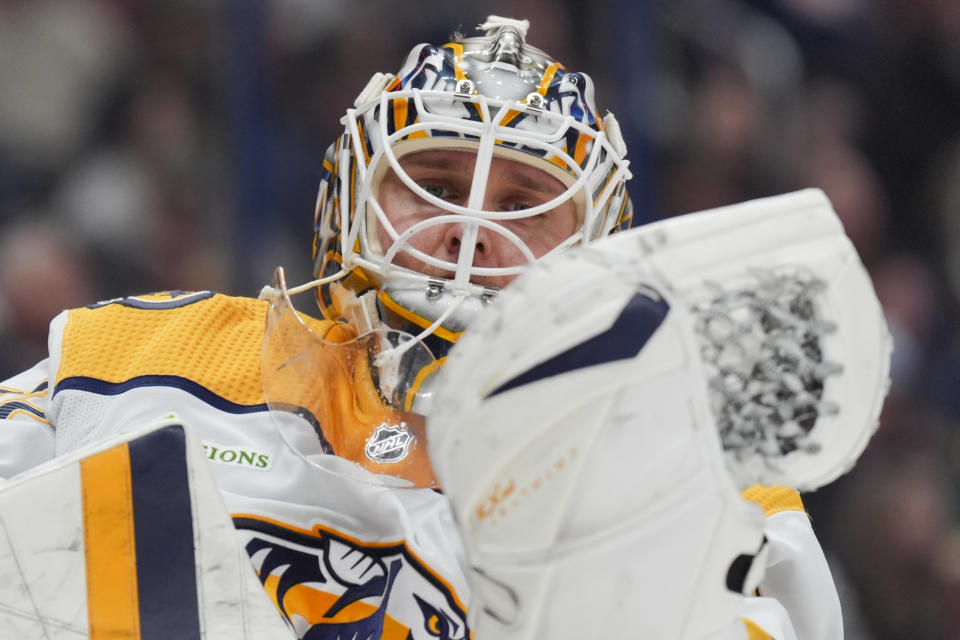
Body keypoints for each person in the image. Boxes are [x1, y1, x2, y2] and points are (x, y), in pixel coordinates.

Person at [0, 16, 864, 640]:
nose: (472, 230)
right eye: (440, 186)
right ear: (348, 202)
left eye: (524, 205)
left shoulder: (700, 484)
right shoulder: (137, 359)